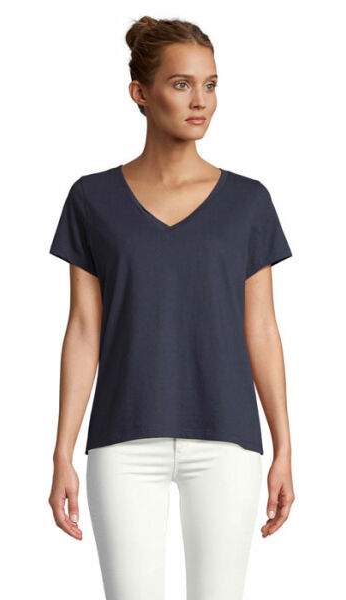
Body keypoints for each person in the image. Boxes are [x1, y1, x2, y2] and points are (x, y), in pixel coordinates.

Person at [48, 15, 295, 600]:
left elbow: (262, 328)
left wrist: (284, 445)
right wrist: (62, 451)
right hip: (123, 439)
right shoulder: (91, 199)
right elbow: (83, 330)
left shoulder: (248, 202)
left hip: (227, 438)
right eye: (181, 84)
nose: (200, 101)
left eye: (210, 85)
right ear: (140, 92)